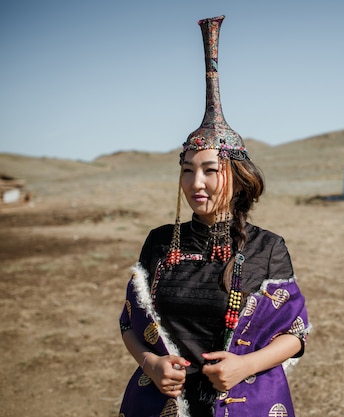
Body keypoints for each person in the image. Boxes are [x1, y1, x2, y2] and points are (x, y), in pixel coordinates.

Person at [118, 15, 310, 417]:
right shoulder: (159, 241)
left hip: (246, 403)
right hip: (164, 403)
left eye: (209, 170)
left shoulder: (267, 247)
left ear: (237, 178)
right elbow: (129, 323)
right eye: (187, 170)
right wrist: (150, 363)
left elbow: (294, 334)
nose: (196, 183)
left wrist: (246, 365)